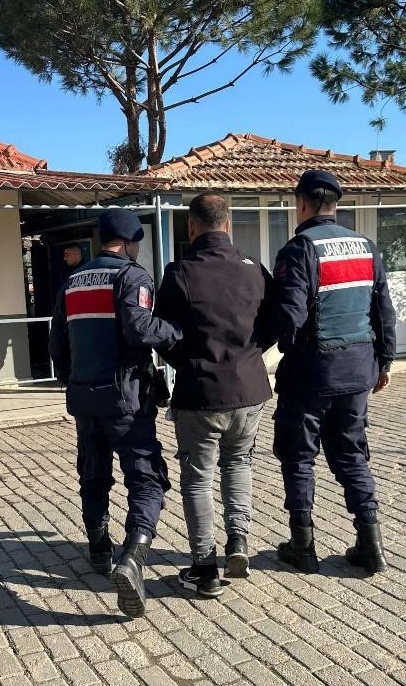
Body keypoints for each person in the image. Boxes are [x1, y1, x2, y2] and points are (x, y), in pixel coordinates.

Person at [49, 209, 181, 618]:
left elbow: (57, 341)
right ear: (128, 242)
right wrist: (176, 333)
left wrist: (71, 380)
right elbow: (140, 328)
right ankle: (133, 557)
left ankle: (98, 549)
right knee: (146, 479)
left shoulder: (73, 280)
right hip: (126, 400)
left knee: (93, 474)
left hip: (84, 399)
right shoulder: (131, 276)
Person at [270, 170, 396, 575]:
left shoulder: (299, 249)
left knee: (299, 456)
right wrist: (385, 362)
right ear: (335, 205)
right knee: (351, 454)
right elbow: (383, 310)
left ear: (301, 203)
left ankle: (302, 546)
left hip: (311, 373)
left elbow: (290, 313)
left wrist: (256, 346)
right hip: (359, 369)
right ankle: (371, 545)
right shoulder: (366, 246)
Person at [154, 194, 275, 598]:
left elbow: (162, 333)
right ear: (228, 224)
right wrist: (250, 354)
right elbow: (276, 319)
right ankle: (238, 542)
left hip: (200, 392)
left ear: (191, 227)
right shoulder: (255, 269)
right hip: (249, 390)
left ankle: (205, 568)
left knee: (198, 479)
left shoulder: (179, 273)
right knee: (239, 463)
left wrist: (186, 361)